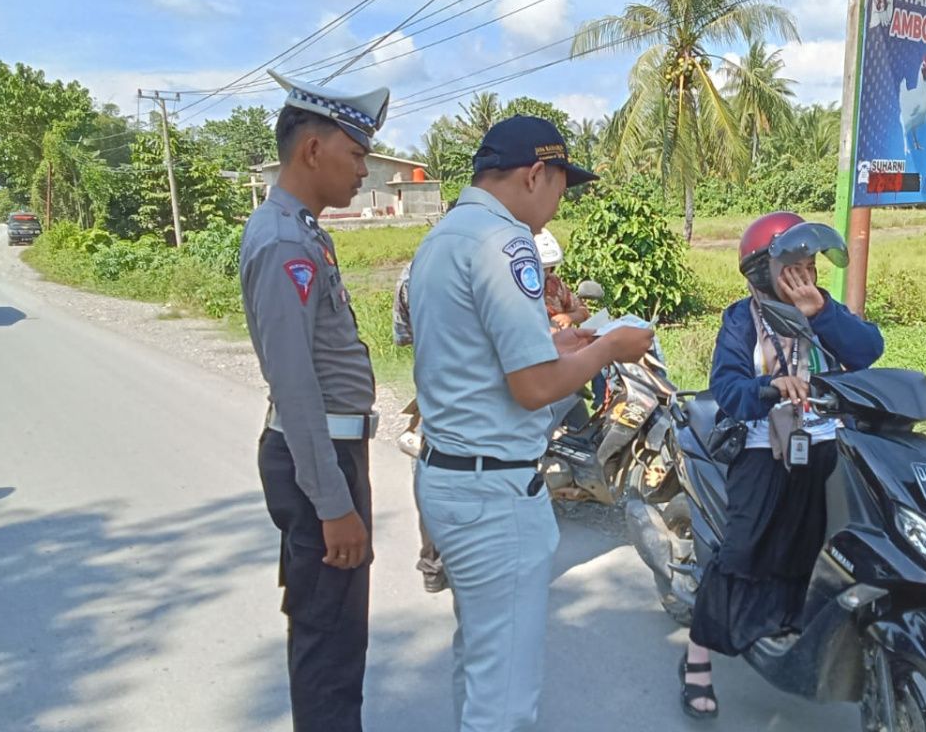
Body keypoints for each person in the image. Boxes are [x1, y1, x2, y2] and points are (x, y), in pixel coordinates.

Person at [409, 115, 655, 732]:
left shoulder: (445, 236)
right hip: (493, 496)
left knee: (480, 665)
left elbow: (484, 356)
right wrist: (607, 348)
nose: (559, 202)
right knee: (506, 701)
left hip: (447, 476)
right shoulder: (507, 242)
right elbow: (533, 387)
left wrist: (566, 339)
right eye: (561, 187)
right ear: (536, 172)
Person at [679, 211, 885, 720]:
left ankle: (801, 630)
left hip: (827, 447)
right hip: (761, 448)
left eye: (810, 263)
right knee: (741, 552)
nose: (805, 273)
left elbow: (868, 353)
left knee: (831, 544)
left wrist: (821, 313)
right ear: (760, 270)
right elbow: (727, 388)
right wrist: (769, 388)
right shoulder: (741, 319)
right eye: (792, 265)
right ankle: (697, 656)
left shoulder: (824, 311)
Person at [239, 69, 389, 732]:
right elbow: (295, 384)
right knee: (328, 645)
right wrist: (334, 505)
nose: (364, 169)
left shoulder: (302, 231)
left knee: (337, 639)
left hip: (332, 448)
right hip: (319, 457)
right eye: (355, 153)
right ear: (312, 150)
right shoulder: (282, 242)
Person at [391, 262, 450, 593]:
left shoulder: (413, 270)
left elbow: (402, 334)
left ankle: (432, 566)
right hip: (489, 395)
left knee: (429, 472)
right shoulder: (495, 261)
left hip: (433, 389)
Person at [534, 228, 590, 329]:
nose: (541, 274)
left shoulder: (554, 284)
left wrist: (569, 317)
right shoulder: (511, 293)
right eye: (536, 269)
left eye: (546, 269)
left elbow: (583, 312)